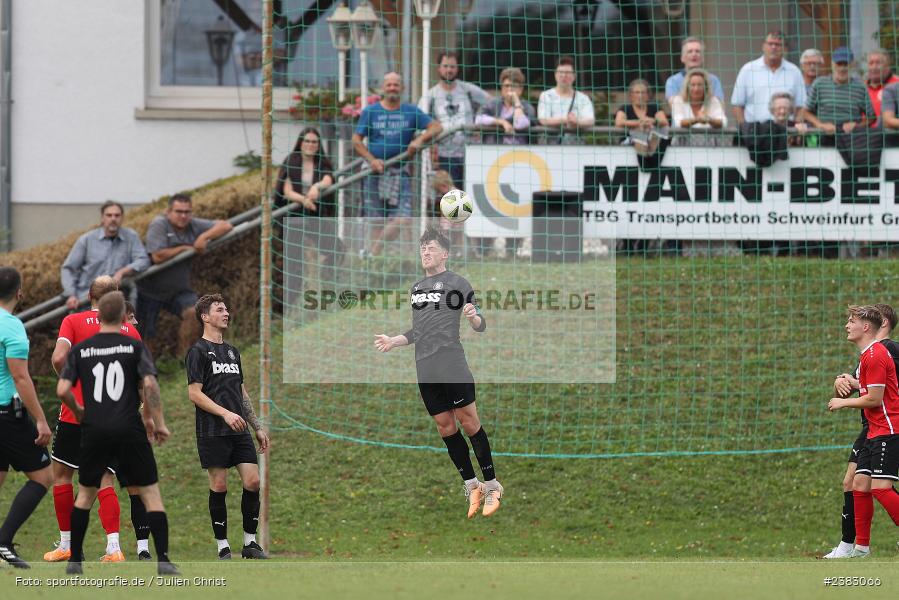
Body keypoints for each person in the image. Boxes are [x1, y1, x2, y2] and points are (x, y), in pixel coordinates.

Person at [373, 228, 502, 518]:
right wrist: (395, 340)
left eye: (430, 247)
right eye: (422, 248)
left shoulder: (458, 282)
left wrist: (474, 317)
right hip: (425, 366)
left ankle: (493, 485)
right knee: (445, 427)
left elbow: (480, 323)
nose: (425, 252)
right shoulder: (417, 288)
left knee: (469, 423)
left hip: (451, 361)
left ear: (444, 253)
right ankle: (472, 486)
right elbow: (419, 330)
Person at [57, 291, 177, 576]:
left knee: (85, 494)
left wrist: (79, 409)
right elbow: (149, 385)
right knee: (150, 493)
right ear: (124, 317)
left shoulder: (81, 350)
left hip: (95, 428)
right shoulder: (134, 347)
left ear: (98, 315)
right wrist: (156, 421)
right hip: (129, 427)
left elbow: (62, 390)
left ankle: (75, 560)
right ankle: (164, 561)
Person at [44, 275, 151, 564]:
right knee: (105, 478)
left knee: (63, 475)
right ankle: (114, 547)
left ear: (89, 295)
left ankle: (67, 544)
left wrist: (71, 385)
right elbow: (143, 380)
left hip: (75, 413)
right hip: (113, 417)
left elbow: (57, 358)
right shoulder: (129, 330)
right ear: (117, 297)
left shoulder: (73, 321)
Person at [185, 294, 270, 560]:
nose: (226, 313)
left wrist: (256, 425)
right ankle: (222, 545)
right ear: (205, 317)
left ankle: (250, 543)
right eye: (219, 310)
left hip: (239, 429)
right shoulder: (197, 351)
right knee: (219, 485)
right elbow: (194, 393)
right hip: (212, 430)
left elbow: (241, 392)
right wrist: (224, 413)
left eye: (226, 309)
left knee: (253, 481)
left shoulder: (233, 352)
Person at [826, 303, 899, 558]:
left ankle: (854, 546)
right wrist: (844, 383)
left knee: (880, 488)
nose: (846, 325)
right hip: (873, 430)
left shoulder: (880, 353)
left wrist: (842, 401)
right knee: (858, 483)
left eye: (851, 320)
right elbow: (866, 391)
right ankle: (860, 548)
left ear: (866, 326)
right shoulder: (867, 356)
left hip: (888, 429)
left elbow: (875, 398)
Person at [353, 72, 442, 258]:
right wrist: (371, 160)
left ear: (402, 88)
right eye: (389, 85)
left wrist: (419, 140)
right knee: (376, 220)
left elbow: (436, 127)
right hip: (373, 172)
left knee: (403, 218)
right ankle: (376, 265)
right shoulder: (370, 111)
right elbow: (356, 141)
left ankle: (372, 253)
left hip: (400, 172)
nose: (392, 88)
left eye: (396, 85)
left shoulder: (410, 111)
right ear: (383, 88)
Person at [136, 193, 233, 356]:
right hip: (150, 291)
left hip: (179, 290)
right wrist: (185, 248)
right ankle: (148, 372)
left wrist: (204, 236)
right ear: (168, 212)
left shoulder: (193, 224)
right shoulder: (159, 225)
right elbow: (157, 256)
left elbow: (226, 225)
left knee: (194, 314)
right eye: (178, 211)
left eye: (187, 212)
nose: (183, 216)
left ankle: (184, 359)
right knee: (146, 334)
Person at [0, 266, 52, 568]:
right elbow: (20, 377)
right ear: (19, 292)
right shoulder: (11, 325)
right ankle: (4, 542)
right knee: (43, 476)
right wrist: (41, 420)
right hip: (7, 414)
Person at [475, 67, 536, 257]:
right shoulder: (492, 104)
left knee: (515, 205)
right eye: (507, 86)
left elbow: (522, 124)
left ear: (521, 89)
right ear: (501, 87)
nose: (510, 90)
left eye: (515, 87)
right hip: (493, 162)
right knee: (490, 203)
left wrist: (517, 104)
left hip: (519, 163)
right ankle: (485, 248)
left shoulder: (526, 106)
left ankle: (512, 247)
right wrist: (500, 122)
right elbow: (478, 119)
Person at [275, 127, 340, 289]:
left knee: (337, 249)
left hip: (315, 215)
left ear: (319, 145)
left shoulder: (322, 162)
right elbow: (287, 191)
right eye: (307, 141)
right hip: (294, 216)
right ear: (300, 143)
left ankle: (326, 279)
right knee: (294, 262)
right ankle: (292, 299)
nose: (311, 145)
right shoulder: (291, 160)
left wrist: (316, 187)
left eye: (314, 142)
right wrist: (304, 200)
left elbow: (328, 179)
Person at [421, 51, 491, 193]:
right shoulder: (431, 95)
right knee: (451, 199)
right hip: (445, 156)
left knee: (473, 195)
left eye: (452, 66)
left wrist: (480, 120)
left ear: (457, 68)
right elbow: (419, 118)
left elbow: (492, 103)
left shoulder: (467, 90)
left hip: (471, 153)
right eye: (445, 66)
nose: (449, 70)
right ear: (439, 68)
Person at [61, 201, 150, 311]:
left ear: (122, 218)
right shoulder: (87, 240)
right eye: (109, 215)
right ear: (102, 218)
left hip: (117, 303)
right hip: (87, 302)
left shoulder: (131, 237)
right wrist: (71, 294)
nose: (113, 219)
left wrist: (122, 272)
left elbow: (144, 260)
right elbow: (69, 269)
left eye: (117, 215)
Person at [732, 31, 807, 124]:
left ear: (785, 48)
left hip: (784, 132)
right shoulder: (748, 70)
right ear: (763, 46)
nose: (774, 47)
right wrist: (744, 129)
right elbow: (737, 105)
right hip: (754, 132)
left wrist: (794, 131)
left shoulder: (794, 72)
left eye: (778, 44)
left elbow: (801, 106)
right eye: (770, 44)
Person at [804, 47, 874, 146]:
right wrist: (820, 125)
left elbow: (871, 117)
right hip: (825, 137)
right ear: (832, 64)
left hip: (852, 139)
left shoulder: (860, 87)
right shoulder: (820, 83)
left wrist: (857, 125)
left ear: (852, 65)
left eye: (845, 64)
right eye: (839, 64)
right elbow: (805, 112)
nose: (842, 68)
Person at [537, 56, 595, 143]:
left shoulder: (583, 98)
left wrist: (577, 122)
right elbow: (543, 119)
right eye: (561, 72)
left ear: (574, 76)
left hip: (575, 146)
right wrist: (566, 120)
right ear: (555, 74)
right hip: (550, 147)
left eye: (568, 73)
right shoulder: (546, 95)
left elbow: (590, 120)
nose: (564, 75)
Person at [669, 68, 727, 140]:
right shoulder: (678, 100)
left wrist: (709, 120)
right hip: (683, 143)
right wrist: (698, 120)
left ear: (706, 87)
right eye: (692, 85)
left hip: (709, 145)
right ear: (687, 86)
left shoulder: (713, 101)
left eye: (700, 85)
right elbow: (679, 123)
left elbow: (723, 122)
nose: (696, 89)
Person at [664, 37, 725, 103]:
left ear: (703, 58)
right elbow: (674, 105)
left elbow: (719, 105)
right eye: (690, 51)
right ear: (682, 58)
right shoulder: (673, 81)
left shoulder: (713, 80)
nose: (694, 54)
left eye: (697, 51)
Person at [864, 49, 899, 119]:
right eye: (871, 63)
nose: (874, 67)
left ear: (888, 66)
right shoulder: (861, 87)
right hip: (864, 129)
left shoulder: (897, 83)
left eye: (878, 63)